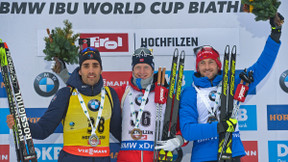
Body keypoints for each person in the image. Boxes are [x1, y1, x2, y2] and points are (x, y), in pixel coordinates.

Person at [179, 13, 284, 162]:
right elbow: (188, 131)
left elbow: (262, 67)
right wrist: (217, 127)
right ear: (197, 67)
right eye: (202, 63)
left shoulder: (231, 84)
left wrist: (275, 34)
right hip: (203, 156)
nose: (207, 67)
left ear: (218, 65)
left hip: (232, 153)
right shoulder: (190, 92)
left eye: (211, 62)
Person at [6, 47, 122, 162]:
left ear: (101, 70)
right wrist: (21, 124)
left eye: (95, 65)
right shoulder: (66, 94)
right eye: (86, 66)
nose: (91, 71)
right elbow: (42, 130)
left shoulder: (109, 95)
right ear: (80, 70)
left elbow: (120, 133)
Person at [115, 47, 184, 162]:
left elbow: (181, 126)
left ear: (153, 70)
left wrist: (178, 140)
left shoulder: (164, 94)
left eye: (146, 67)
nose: (142, 72)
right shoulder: (121, 92)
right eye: (138, 67)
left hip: (156, 158)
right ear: (132, 70)